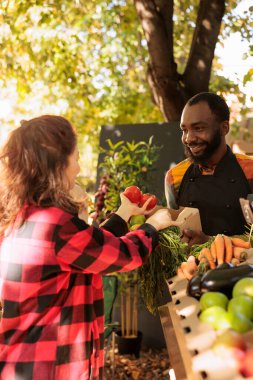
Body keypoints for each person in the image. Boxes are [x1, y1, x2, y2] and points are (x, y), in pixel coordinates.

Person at [0, 115, 177, 380]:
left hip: (24, 363)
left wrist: (123, 214)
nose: (79, 169)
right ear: (57, 165)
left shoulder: (24, 217)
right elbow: (121, 255)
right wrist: (153, 227)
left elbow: (87, 250)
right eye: (76, 158)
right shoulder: (55, 224)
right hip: (50, 367)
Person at [165, 92, 253, 247]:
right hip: (192, 269)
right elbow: (173, 233)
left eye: (198, 128)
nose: (189, 138)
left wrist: (209, 241)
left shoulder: (250, 169)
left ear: (224, 128)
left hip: (244, 268)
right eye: (184, 130)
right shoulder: (174, 177)